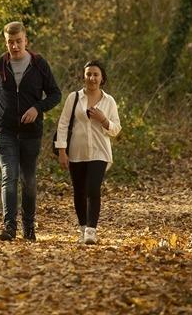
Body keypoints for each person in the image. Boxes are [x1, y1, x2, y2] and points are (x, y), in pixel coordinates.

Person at [0, 21, 62, 241]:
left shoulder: (38, 64)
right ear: (5, 43)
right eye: (10, 42)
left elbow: (55, 94)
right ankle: (9, 227)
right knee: (9, 176)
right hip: (4, 130)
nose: (15, 46)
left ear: (26, 40)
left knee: (28, 180)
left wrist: (37, 108)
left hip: (30, 133)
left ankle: (29, 227)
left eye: (18, 41)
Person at [55, 60, 121, 245]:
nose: (92, 78)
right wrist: (62, 151)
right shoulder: (74, 98)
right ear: (83, 77)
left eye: (96, 75)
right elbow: (63, 124)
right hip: (77, 152)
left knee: (93, 188)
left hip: (100, 151)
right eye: (89, 74)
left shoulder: (109, 101)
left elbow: (116, 129)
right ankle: (83, 228)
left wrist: (104, 120)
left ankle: (91, 231)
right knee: (79, 191)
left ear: (102, 78)